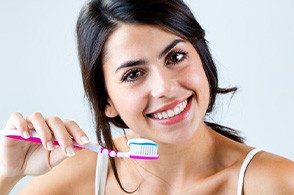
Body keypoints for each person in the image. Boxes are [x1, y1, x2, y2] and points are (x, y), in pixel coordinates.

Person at [1, 0, 294, 194]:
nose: (164, 87)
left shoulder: (278, 183)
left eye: (176, 56)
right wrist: (7, 174)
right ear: (106, 100)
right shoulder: (76, 179)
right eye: (133, 74)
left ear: (202, 58)